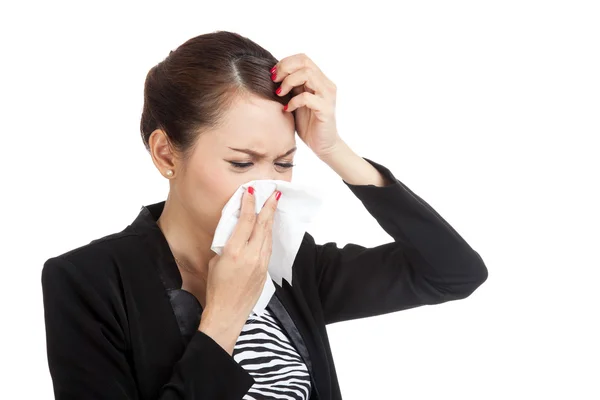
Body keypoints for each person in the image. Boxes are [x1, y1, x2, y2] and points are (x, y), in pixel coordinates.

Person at [41, 30, 488, 400]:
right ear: (165, 154)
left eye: (284, 162)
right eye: (241, 163)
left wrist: (335, 151)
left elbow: (452, 273)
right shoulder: (88, 281)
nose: (265, 185)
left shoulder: (290, 263)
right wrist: (223, 319)